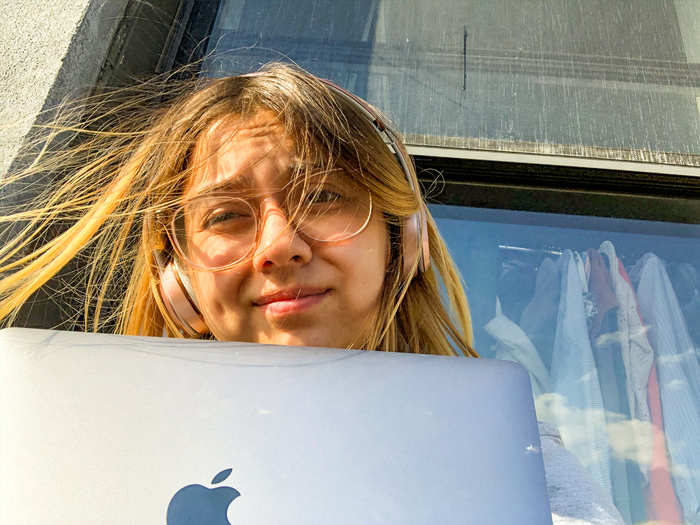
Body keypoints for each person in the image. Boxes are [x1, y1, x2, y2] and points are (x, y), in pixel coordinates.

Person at [0, 63, 624, 524]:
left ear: (401, 245)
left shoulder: (519, 463)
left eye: (323, 195)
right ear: (180, 280)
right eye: (224, 216)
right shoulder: (61, 449)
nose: (278, 245)